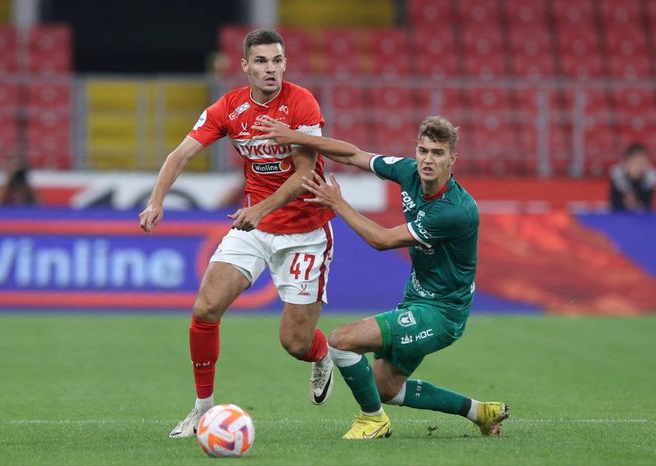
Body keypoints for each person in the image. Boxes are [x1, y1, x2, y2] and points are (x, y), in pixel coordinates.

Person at [252, 114, 509, 439]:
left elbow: (383, 240)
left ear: (452, 159)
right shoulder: (409, 172)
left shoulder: (455, 210)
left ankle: (373, 420)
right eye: (423, 150)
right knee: (384, 387)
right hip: (416, 298)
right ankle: (479, 412)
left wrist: (337, 203)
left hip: (443, 313)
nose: (428, 160)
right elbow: (352, 154)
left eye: (438, 153)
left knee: (341, 341)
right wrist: (295, 136)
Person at [139, 29, 336, 438]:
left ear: (285, 63)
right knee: (205, 308)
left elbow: (304, 175)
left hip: (304, 231)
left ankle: (322, 355)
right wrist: (156, 202)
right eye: (261, 61)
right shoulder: (230, 107)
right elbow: (180, 155)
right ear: (245, 65)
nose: (271, 69)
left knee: (296, 343)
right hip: (254, 226)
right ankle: (202, 410)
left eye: (277, 60)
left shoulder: (302, 103)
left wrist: (260, 208)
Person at [609, 143, 656, 211]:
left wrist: (637, 204)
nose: (639, 167)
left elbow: (648, 204)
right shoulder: (617, 176)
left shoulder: (651, 178)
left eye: (643, 163)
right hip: (620, 214)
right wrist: (625, 201)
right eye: (635, 163)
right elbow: (613, 204)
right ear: (626, 163)